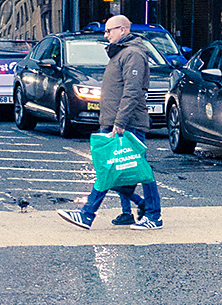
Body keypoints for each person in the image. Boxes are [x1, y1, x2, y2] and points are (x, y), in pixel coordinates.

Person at [58, 15, 163, 230]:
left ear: (124, 30)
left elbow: (132, 91)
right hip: (116, 120)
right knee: (119, 169)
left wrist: (120, 121)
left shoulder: (132, 54)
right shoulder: (121, 53)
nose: (106, 35)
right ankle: (134, 209)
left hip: (128, 123)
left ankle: (152, 216)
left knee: (131, 169)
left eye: (109, 31)